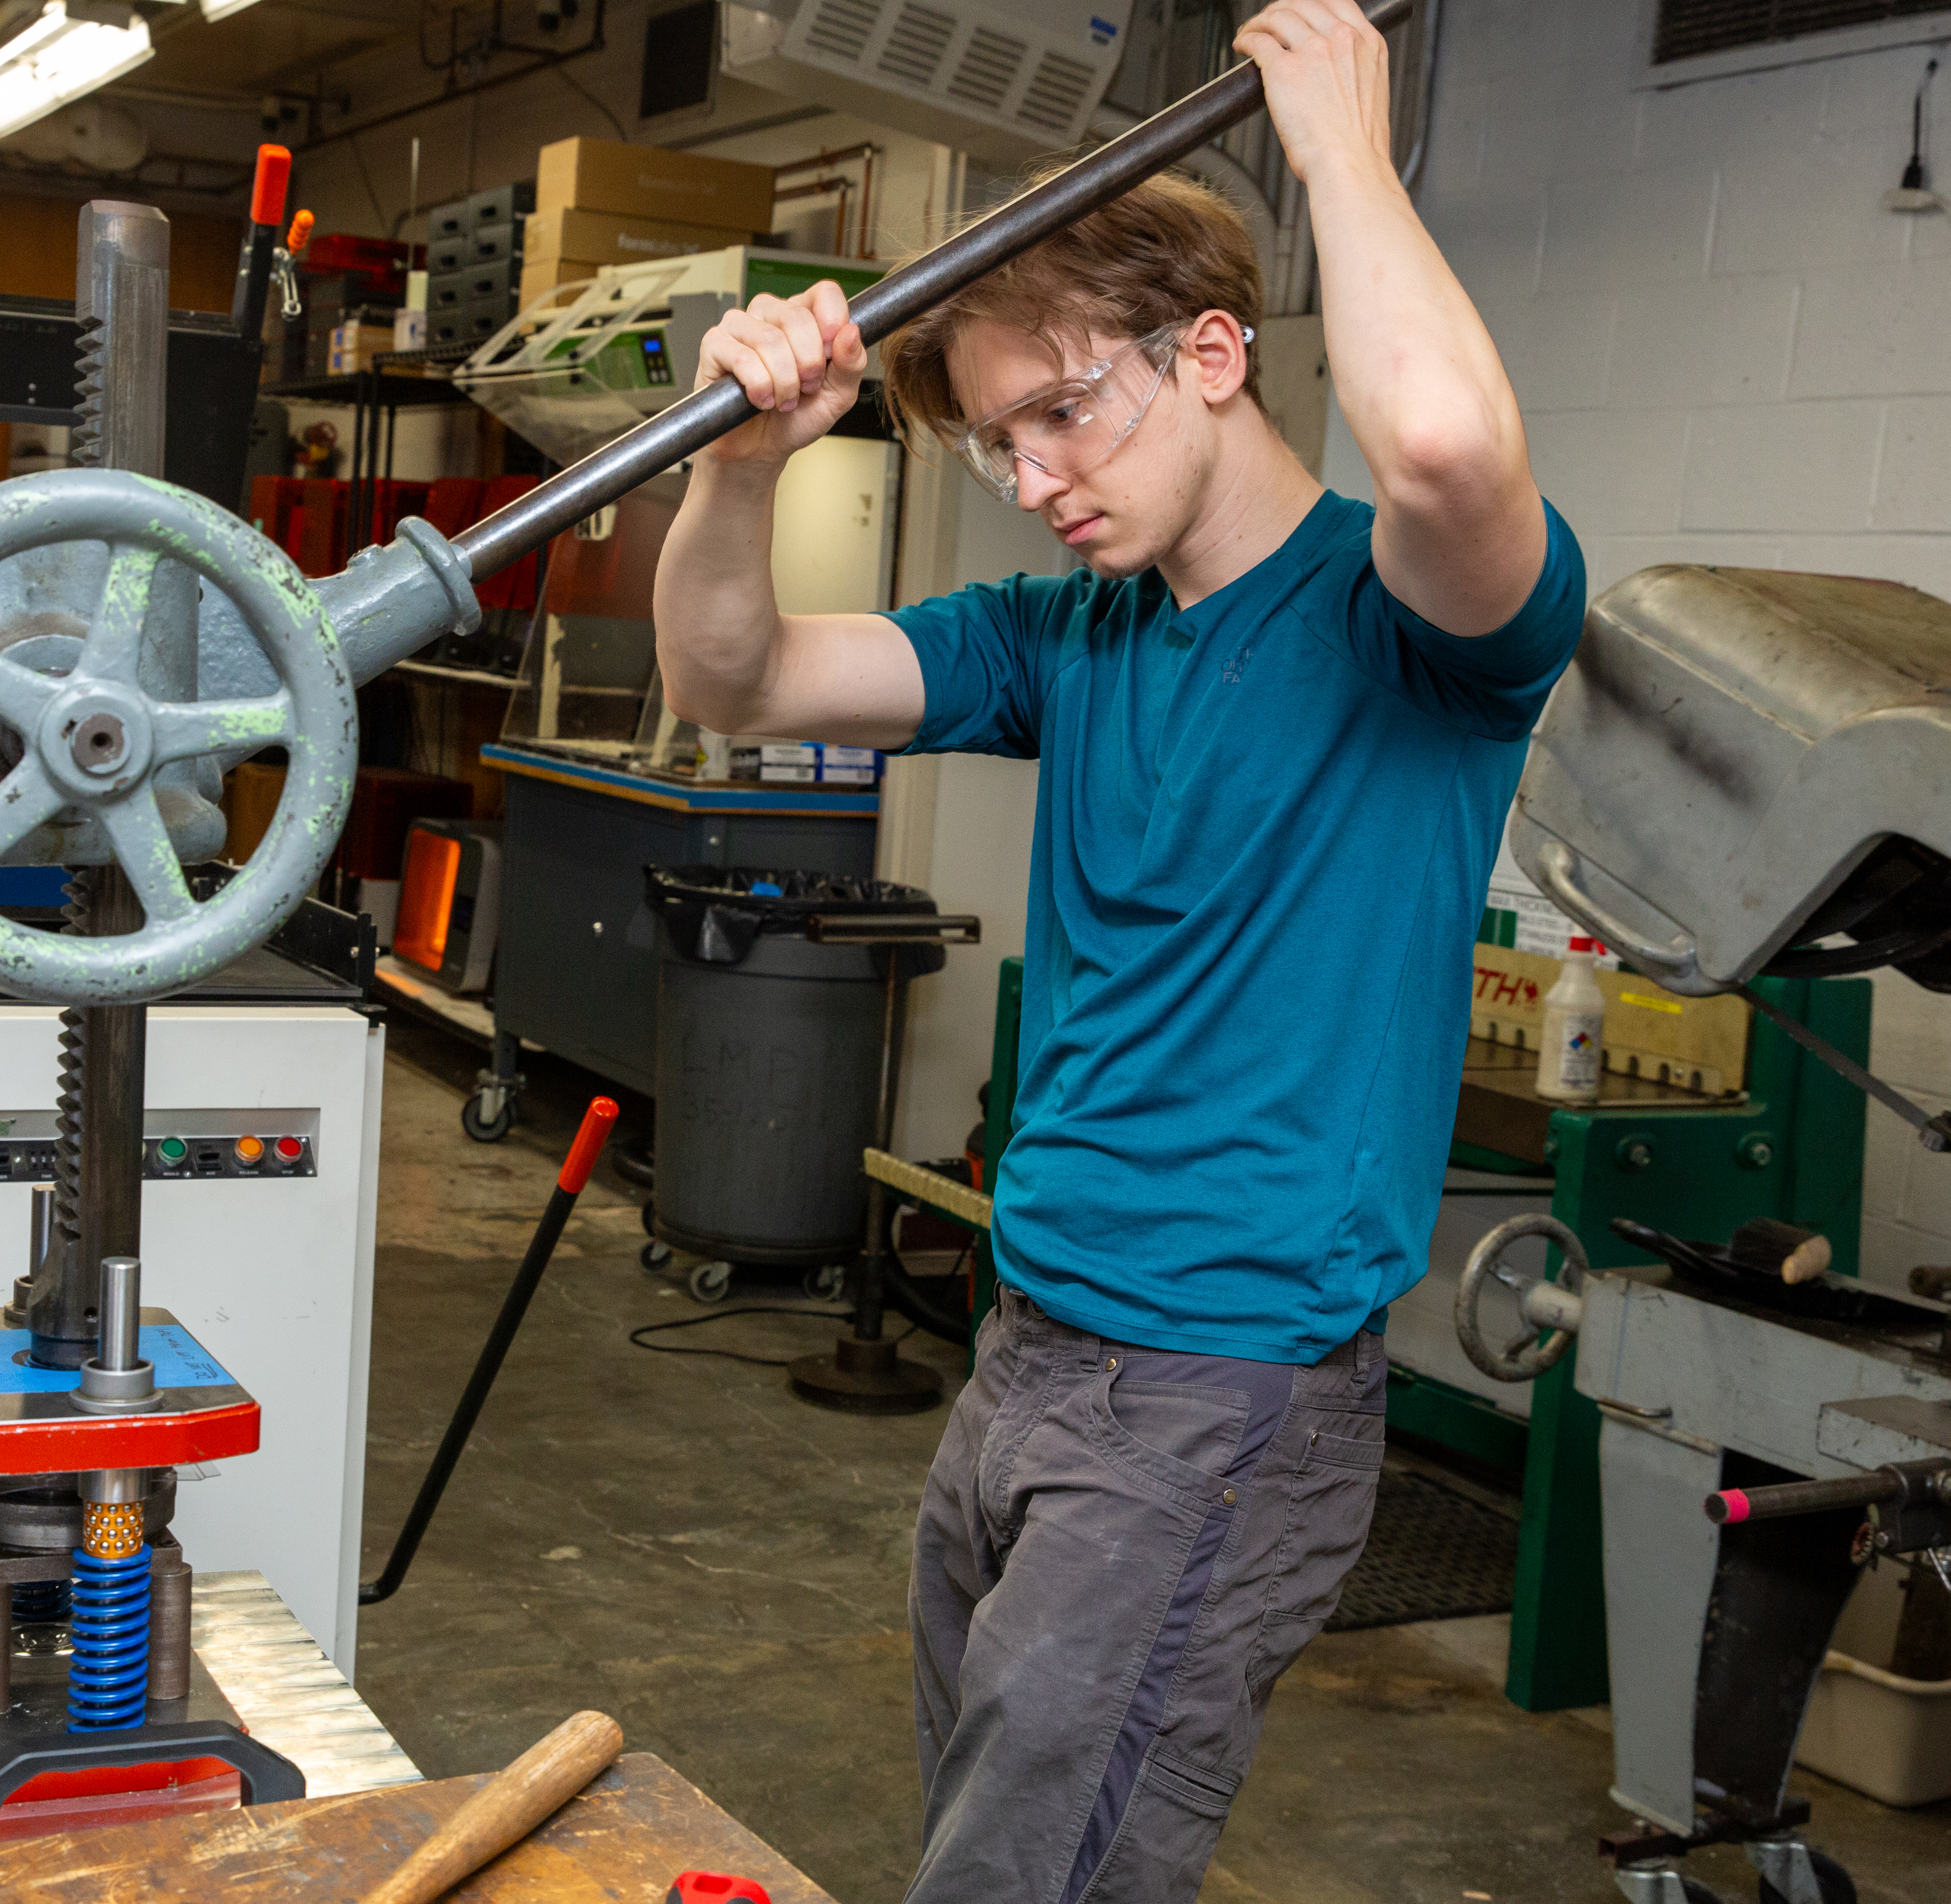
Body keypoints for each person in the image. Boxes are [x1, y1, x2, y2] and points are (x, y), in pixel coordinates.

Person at [648, 2, 1586, 1898]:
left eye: (1064, 411)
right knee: (1009, 1859)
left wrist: (1342, 155)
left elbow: (1453, 447)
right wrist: (739, 463)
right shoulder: (1066, 631)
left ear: (1216, 353)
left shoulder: (1410, 625)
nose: (1035, 475)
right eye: (999, 441)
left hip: (1221, 1394)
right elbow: (729, 678)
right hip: (1031, 1353)